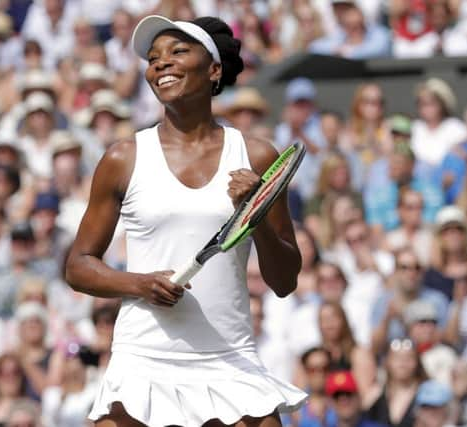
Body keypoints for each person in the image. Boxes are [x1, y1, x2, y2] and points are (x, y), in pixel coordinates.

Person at [65, 14, 308, 427]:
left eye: (178, 52)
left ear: (213, 70)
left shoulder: (258, 156)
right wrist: (140, 284)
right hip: (143, 359)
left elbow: (284, 281)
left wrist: (256, 213)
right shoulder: (123, 158)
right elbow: (78, 266)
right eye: (154, 58)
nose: (161, 63)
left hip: (230, 358)